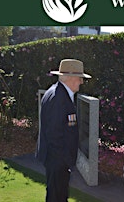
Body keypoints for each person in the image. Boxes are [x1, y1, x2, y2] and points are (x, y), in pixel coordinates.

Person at [36, 59, 92, 202]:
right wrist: (65, 161)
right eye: (80, 78)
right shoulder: (59, 98)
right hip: (57, 161)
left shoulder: (57, 93)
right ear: (71, 78)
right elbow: (54, 134)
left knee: (57, 196)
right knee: (57, 197)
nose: (81, 82)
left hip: (57, 161)